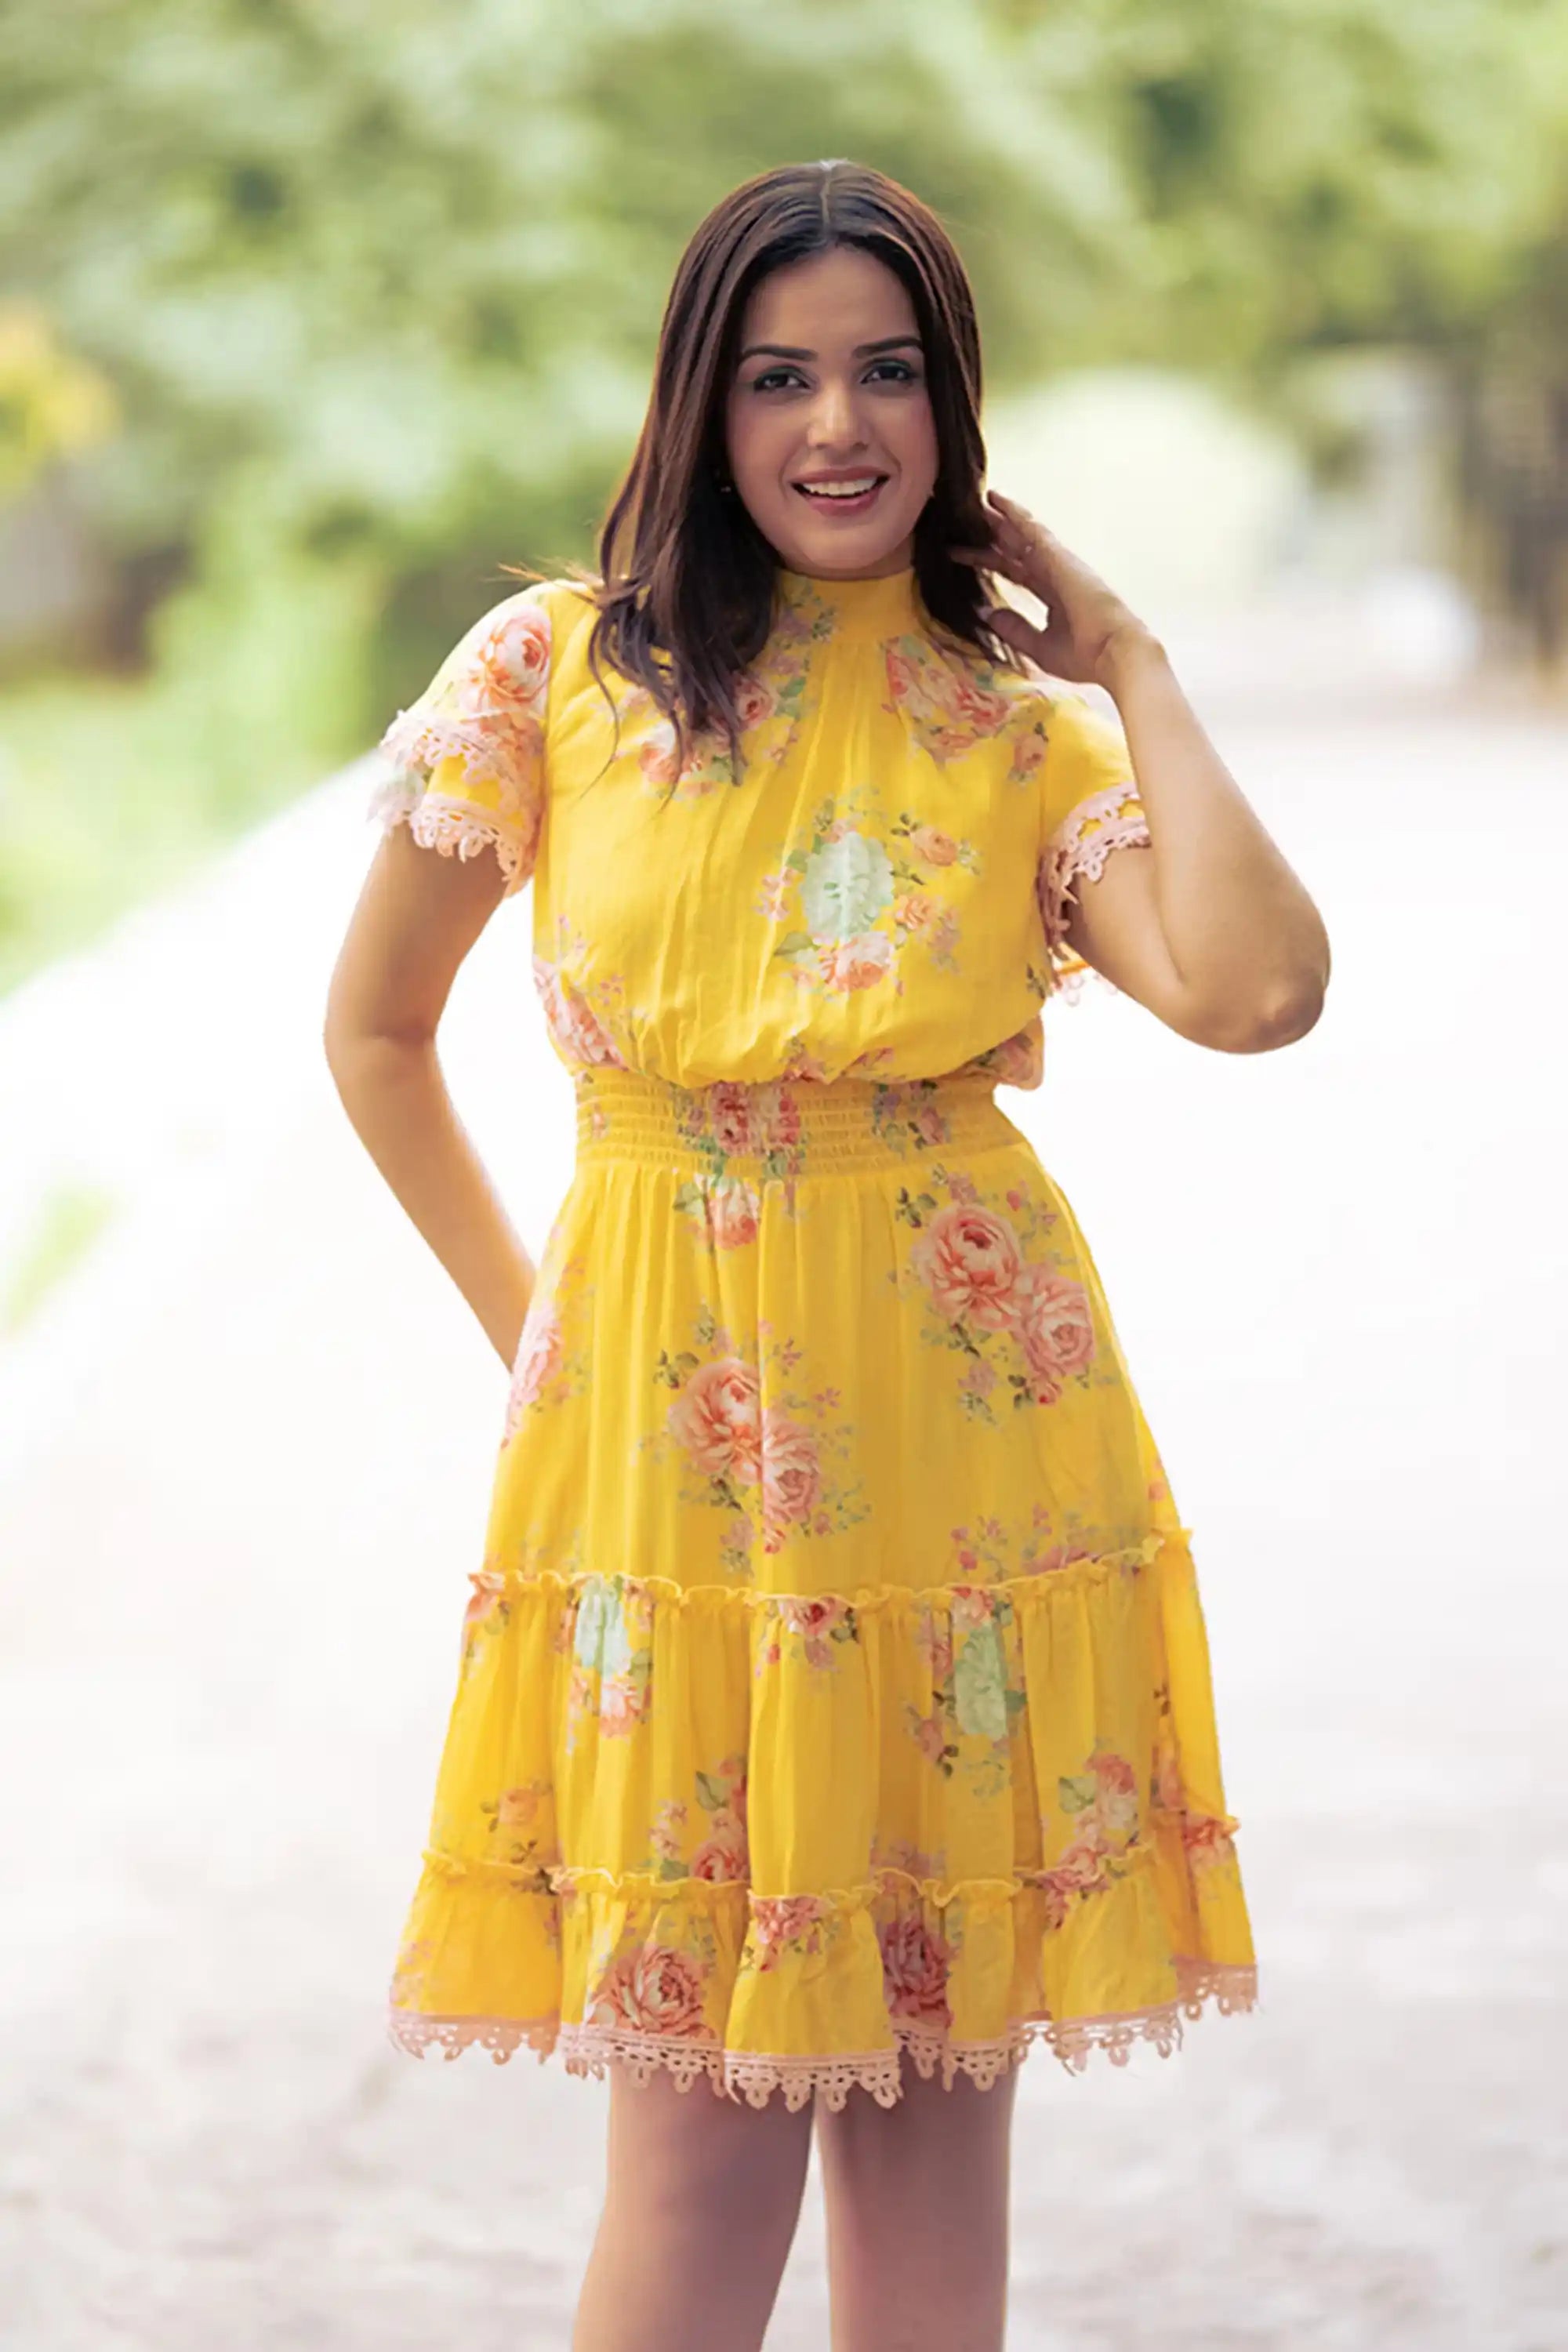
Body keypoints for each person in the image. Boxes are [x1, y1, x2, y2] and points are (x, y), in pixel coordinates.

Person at [325, 158, 1329, 2352]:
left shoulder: (1025, 731)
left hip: (970, 1471)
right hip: (666, 1488)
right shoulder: (554, 677)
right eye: (779, 376)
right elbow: (376, 1034)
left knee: (932, 2140)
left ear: (955, 407)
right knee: (696, 2156)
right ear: (704, 402)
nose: (839, 425)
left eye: (888, 372)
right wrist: (543, 1343)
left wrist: (1134, 657)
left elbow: (1261, 995)